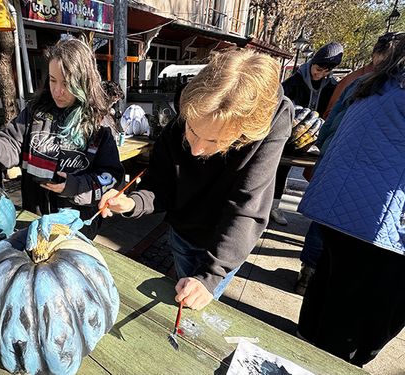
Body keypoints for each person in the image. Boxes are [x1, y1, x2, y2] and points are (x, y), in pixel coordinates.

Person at [98, 49, 292, 310]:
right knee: (181, 287)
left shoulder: (271, 124)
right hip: (182, 231)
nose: (196, 149)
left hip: (225, 240)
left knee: (195, 309)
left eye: (214, 141)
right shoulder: (193, 108)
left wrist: (210, 278)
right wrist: (132, 203)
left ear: (245, 134)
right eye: (192, 130)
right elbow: (160, 184)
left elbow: (246, 209)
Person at [296, 36, 405, 366]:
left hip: (338, 205)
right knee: (358, 314)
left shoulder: (372, 84)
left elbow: (328, 133)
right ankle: (327, 363)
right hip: (375, 222)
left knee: (330, 284)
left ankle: (305, 345)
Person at [0, 38, 124, 239]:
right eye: (52, 80)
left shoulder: (100, 125)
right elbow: (12, 143)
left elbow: (111, 177)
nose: (57, 91)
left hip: (76, 224)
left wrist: (73, 186)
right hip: (35, 213)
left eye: (67, 84)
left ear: (83, 81)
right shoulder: (35, 111)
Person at [271, 42, 343, 225]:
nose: (319, 74)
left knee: (318, 170)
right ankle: (273, 206)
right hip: (287, 134)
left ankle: (315, 210)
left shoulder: (332, 87)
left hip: (314, 137)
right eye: (318, 68)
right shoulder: (293, 82)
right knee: (279, 169)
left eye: (325, 71)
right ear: (312, 62)